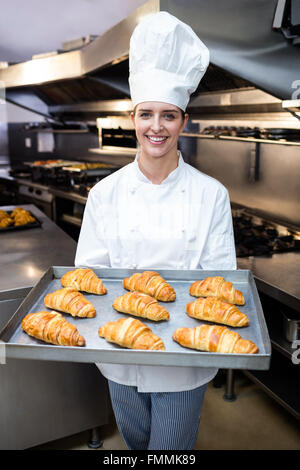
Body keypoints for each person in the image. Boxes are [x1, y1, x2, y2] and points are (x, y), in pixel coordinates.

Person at [75, 12, 236, 451]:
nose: (156, 127)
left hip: (185, 358)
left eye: (168, 115)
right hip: (120, 355)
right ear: (133, 118)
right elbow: (89, 275)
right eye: (147, 114)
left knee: (169, 453)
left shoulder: (211, 195)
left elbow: (220, 279)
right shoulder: (105, 194)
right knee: (135, 445)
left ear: (183, 122)